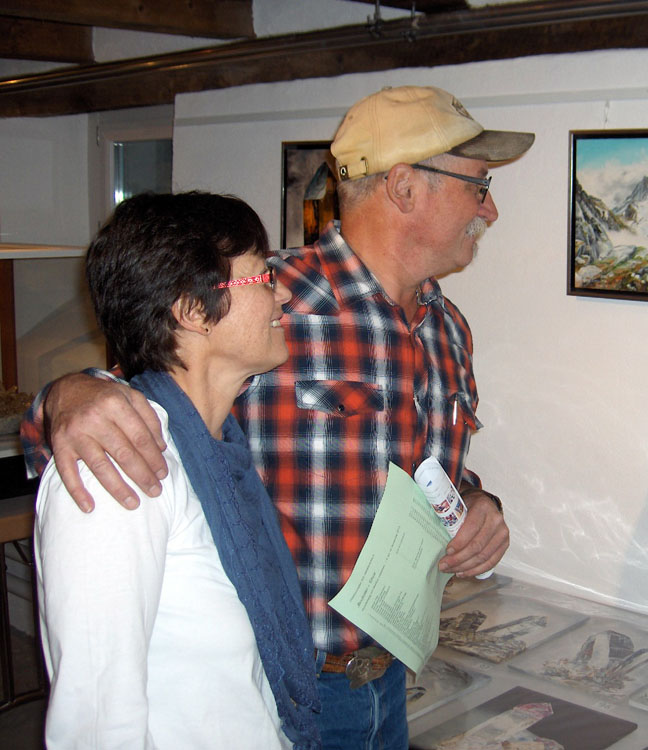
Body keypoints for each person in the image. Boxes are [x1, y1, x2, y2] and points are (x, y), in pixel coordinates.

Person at [23, 85, 534, 749]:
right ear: (405, 187)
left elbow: (419, 475)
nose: (490, 208)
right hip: (289, 686)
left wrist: (475, 502)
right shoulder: (266, 305)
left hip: (393, 674)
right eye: (478, 185)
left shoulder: (447, 328)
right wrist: (68, 394)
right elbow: (121, 412)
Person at [33, 192, 321, 749]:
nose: (283, 292)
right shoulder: (116, 470)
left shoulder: (219, 450)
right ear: (192, 309)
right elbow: (94, 725)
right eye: (263, 278)